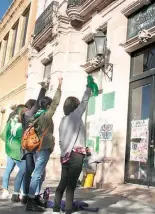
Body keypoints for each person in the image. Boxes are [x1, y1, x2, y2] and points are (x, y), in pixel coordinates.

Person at [53, 77, 95, 214]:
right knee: (71, 185)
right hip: (76, 155)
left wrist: (66, 150)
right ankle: (68, 210)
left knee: (63, 183)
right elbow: (84, 102)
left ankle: (56, 208)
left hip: (65, 155)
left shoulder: (62, 121)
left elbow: (61, 141)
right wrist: (88, 87)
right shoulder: (75, 116)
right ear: (75, 107)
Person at [26, 77, 63, 212]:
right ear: (47, 106)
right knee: (37, 174)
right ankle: (30, 201)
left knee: (39, 173)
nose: (51, 106)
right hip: (43, 148)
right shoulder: (46, 116)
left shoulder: (36, 115)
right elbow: (56, 103)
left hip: (36, 148)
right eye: (50, 105)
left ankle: (35, 197)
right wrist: (59, 87)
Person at [21, 81, 48, 205]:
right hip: (34, 146)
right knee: (37, 172)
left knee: (29, 171)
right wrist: (43, 89)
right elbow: (38, 102)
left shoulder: (25, 115)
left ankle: (25, 195)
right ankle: (33, 196)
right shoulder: (30, 113)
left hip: (27, 147)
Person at [1, 104, 28, 202]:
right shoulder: (22, 123)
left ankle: (4, 190)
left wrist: (9, 144)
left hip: (9, 148)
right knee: (23, 170)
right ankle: (21, 192)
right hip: (17, 150)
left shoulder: (10, 120)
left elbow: (4, 134)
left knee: (8, 169)